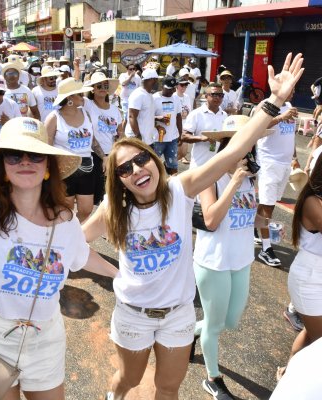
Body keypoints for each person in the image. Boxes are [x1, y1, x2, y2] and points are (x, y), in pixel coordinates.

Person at [82, 52, 304, 400]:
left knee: (168, 388)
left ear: (154, 160)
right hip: (133, 316)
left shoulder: (178, 189)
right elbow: (73, 245)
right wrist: (111, 272)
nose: (137, 170)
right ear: (119, 181)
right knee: (127, 380)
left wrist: (274, 100)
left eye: (141, 159)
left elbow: (232, 153)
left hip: (179, 315)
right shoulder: (114, 209)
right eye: (125, 169)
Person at [0, 116, 118, 399]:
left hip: (44, 337)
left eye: (36, 155)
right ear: (1, 167)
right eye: (14, 156)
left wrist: (119, 275)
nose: (25, 161)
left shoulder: (65, 219)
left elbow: (80, 255)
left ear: (48, 167)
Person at [192, 117, 265, 399]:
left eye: (250, 144)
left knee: (229, 321)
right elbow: (210, 220)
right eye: (241, 143)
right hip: (214, 261)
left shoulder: (249, 178)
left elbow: (246, 216)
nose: (248, 150)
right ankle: (213, 379)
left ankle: (192, 334)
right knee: (214, 324)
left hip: (242, 258)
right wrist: (233, 181)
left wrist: (267, 225)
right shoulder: (209, 177)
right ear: (227, 145)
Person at [275, 151, 322, 382]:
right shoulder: (313, 201)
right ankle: (292, 382)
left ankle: (288, 374)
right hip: (310, 280)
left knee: (312, 334)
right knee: (320, 342)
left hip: (317, 276)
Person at [254, 89, 300, 267]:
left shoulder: (290, 107)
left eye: (294, 90)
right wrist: (281, 117)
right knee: (268, 207)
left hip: (285, 164)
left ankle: (254, 231)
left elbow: (291, 136)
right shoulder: (266, 105)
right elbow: (256, 129)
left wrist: (295, 158)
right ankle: (266, 249)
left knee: (268, 202)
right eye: (289, 89)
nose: (292, 93)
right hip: (269, 163)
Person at [45, 78, 96, 223]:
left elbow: (93, 139)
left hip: (86, 167)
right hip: (63, 169)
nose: (83, 97)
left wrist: (103, 156)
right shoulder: (54, 118)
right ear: (69, 98)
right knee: (65, 210)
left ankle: (75, 232)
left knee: (86, 209)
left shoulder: (86, 113)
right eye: (79, 94)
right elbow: (46, 147)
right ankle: (65, 237)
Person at [83, 71, 122, 205]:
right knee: (96, 196)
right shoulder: (87, 104)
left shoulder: (115, 110)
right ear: (92, 89)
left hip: (112, 155)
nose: (103, 89)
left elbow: (119, 133)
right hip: (94, 154)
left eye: (105, 86)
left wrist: (114, 154)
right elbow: (74, 92)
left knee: (111, 193)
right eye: (99, 86)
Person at [181, 82, 227, 169]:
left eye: (221, 95)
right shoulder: (196, 114)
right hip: (199, 165)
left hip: (218, 166)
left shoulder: (224, 115)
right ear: (206, 96)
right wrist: (202, 138)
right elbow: (184, 136)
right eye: (214, 95)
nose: (218, 98)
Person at [152, 76, 182, 175]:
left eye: (174, 88)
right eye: (169, 89)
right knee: (153, 165)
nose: (172, 91)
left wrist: (180, 134)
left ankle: (173, 188)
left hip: (172, 138)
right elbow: (146, 117)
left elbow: (178, 116)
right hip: (157, 139)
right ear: (162, 86)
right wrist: (157, 118)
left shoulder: (176, 98)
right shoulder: (154, 98)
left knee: (173, 166)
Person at [124, 68, 158, 146]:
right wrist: (138, 137)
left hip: (147, 140)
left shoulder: (149, 94)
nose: (157, 83)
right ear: (151, 80)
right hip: (137, 140)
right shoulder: (138, 94)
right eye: (156, 80)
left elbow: (146, 115)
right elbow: (132, 116)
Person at [174, 77, 193, 164]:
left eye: (186, 85)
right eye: (182, 85)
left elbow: (190, 110)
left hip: (185, 126)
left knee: (184, 151)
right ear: (177, 85)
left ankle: (167, 164)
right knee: (177, 151)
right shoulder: (173, 96)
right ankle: (171, 168)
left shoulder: (187, 97)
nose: (184, 87)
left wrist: (186, 113)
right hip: (175, 127)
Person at [118, 63, 142, 131]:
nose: (132, 70)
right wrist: (130, 77)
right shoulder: (123, 75)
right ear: (127, 69)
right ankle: (122, 132)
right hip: (125, 99)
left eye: (133, 69)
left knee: (133, 117)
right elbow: (123, 84)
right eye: (130, 69)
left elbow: (140, 88)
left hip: (134, 100)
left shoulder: (137, 77)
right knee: (126, 118)